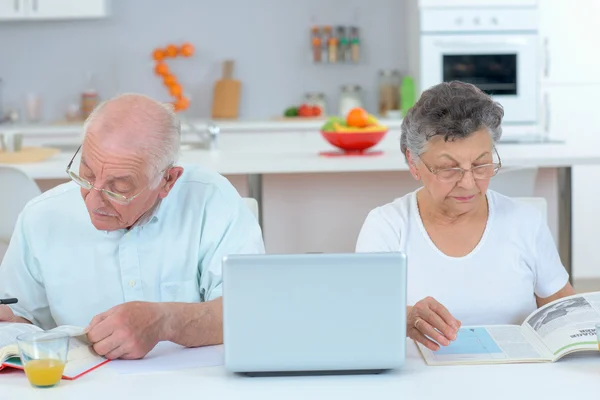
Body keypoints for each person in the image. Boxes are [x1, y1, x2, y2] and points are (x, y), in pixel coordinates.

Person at [0, 93, 265, 360]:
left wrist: (166, 321)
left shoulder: (212, 201)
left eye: (119, 188)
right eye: (87, 175)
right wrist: (10, 326)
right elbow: (18, 320)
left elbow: (250, 310)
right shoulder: (41, 217)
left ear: (167, 181)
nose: (93, 200)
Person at [355, 81, 575, 351]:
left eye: (481, 164)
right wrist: (404, 319)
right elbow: (362, 319)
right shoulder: (386, 227)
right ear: (413, 162)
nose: (469, 184)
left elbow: (567, 319)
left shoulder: (525, 222)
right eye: (449, 168)